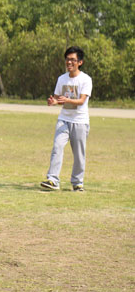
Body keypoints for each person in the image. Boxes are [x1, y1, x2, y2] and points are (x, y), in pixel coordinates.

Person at [40, 46, 92, 192]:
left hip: (80, 122)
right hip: (63, 120)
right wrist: (53, 102)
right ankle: (53, 179)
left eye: (73, 60)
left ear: (80, 62)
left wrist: (65, 100)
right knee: (57, 147)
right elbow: (58, 99)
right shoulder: (61, 79)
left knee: (79, 154)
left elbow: (81, 101)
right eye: (67, 59)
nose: (69, 62)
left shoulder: (86, 80)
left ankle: (77, 182)